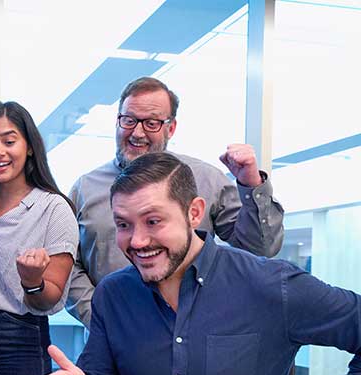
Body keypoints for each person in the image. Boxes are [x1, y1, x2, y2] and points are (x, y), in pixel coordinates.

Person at [33, 152, 361, 375]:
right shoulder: (113, 294)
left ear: (194, 213)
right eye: (123, 225)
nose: (136, 241)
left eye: (153, 221)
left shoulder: (270, 285)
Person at [66, 76, 285, 328]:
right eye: (129, 120)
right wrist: (100, 315)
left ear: (171, 128)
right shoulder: (85, 189)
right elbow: (67, 265)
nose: (137, 133)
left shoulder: (206, 180)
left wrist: (251, 184)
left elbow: (260, 248)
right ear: (117, 121)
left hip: (195, 334)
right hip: (111, 339)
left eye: (151, 123)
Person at [0, 101, 78, 375]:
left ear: (30, 147)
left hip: (17, 340)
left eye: (9, 142)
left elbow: (49, 299)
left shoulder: (54, 209)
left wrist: (32, 282)